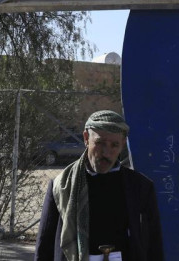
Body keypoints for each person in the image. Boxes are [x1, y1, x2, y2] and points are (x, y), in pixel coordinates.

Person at [36, 110, 164, 261]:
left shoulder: (140, 187)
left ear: (123, 144)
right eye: (100, 143)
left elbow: (154, 246)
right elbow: (45, 244)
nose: (106, 153)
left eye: (114, 145)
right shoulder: (62, 185)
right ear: (86, 138)